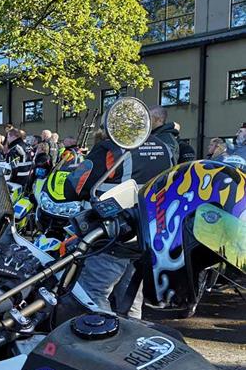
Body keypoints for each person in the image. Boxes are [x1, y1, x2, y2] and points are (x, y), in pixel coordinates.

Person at [56, 118, 173, 319]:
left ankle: (104, 340)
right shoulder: (164, 147)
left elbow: (74, 186)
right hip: (147, 235)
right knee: (131, 297)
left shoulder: (111, 149)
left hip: (112, 234)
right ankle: (131, 339)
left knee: (92, 293)